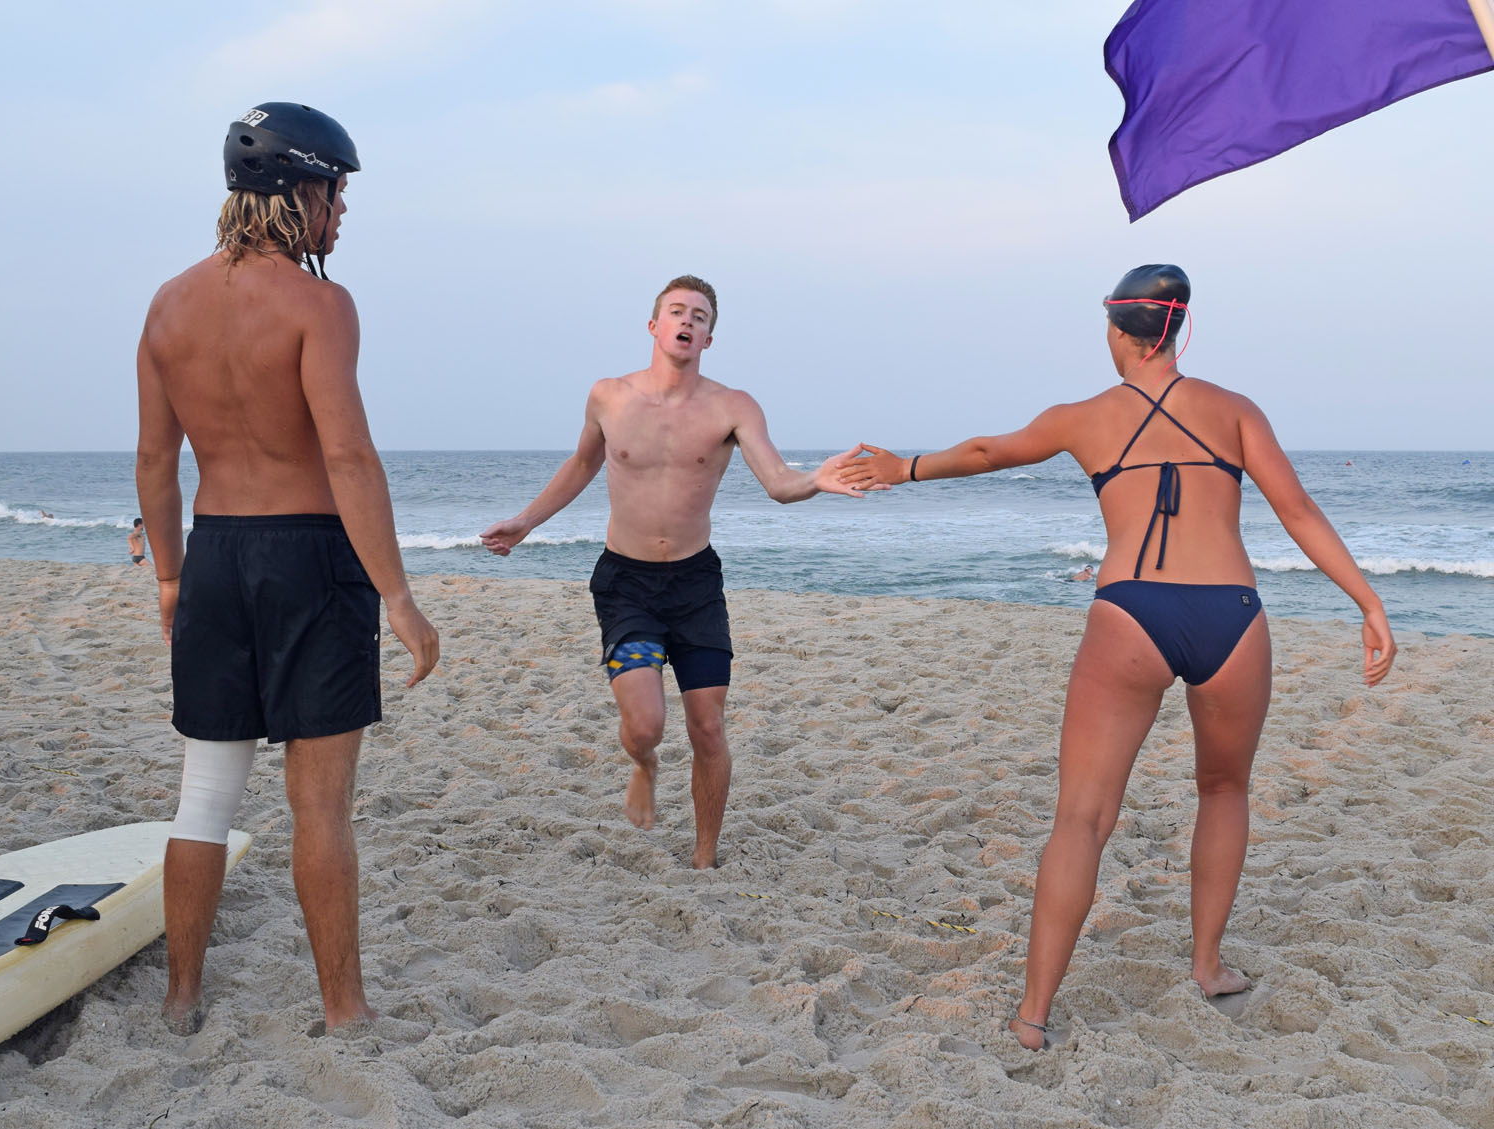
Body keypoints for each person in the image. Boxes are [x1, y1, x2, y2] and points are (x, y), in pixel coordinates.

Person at [840, 264, 1396, 1049]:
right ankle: (1207, 965)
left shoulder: (1086, 417)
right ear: (1176, 330)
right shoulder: (1236, 410)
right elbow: (1298, 509)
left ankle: (1033, 1015)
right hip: (1231, 615)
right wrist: (1368, 602)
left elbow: (990, 450)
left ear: (1119, 332)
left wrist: (905, 468)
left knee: (1082, 815)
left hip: (1132, 611)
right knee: (1224, 788)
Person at [135, 102, 439, 1036]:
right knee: (320, 805)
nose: (341, 212)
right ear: (298, 190)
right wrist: (397, 594)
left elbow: (154, 463)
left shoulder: (168, 305)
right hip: (310, 555)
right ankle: (345, 1011)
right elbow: (348, 456)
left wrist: (171, 579)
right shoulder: (319, 305)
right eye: (336, 193)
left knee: (204, 796)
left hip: (216, 554)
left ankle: (181, 1000)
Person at [480, 275, 871, 869]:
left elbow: (777, 482)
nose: (688, 320)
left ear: (709, 338)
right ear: (654, 325)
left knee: (707, 727)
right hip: (626, 584)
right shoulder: (609, 396)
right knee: (646, 726)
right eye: (677, 311)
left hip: (695, 586)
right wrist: (525, 522)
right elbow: (582, 464)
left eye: (700, 316)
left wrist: (815, 479)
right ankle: (643, 764)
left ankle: (704, 856)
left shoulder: (733, 407)